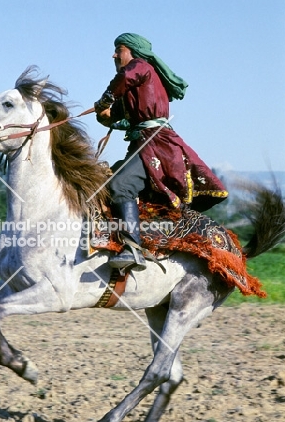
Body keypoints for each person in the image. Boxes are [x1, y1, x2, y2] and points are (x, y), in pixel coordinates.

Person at [94, 33, 228, 270]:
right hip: (144, 143)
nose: (114, 55)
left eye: (120, 49)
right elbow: (124, 118)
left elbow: (123, 79)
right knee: (106, 185)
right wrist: (107, 117)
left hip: (155, 144)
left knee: (120, 186)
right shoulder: (136, 83)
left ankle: (132, 248)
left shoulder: (139, 67)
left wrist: (105, 101)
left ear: (134, 52)